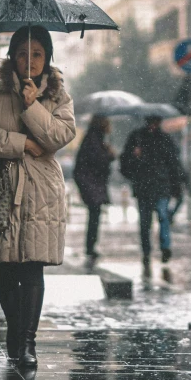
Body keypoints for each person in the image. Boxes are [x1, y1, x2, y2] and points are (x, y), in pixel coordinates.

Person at [0, 25, 76, 367]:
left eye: (36, 54)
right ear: (12, 57)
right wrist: (23, 144)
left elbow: (61, 135)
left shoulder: (58, 96)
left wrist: (33, 106)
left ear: (46, 58)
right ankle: (16, 328)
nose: (29, 61)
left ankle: (27, 343)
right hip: (3, 186)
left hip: (41, 190)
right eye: (22, 54)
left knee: (32, 268)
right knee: (3, 270)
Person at [120, 115, 186, 278]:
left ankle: (165, 248)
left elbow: (173, 163)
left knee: (162, 217)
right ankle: (147, 251)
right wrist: (135, 159)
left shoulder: (165, 139)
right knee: (145, 222)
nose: (153, 125)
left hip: (161, 186)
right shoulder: (137, 137)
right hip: (144, 187)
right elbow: (125, 163)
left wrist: (176, 184)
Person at [73, 115, 115, 268]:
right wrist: (109, 154)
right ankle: (90, 247)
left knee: (94, 215)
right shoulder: (94, 139)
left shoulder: (95, 138)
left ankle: (91, 247)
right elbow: (97, 161)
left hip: (92, 184)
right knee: (94, 215)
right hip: (91, 184)